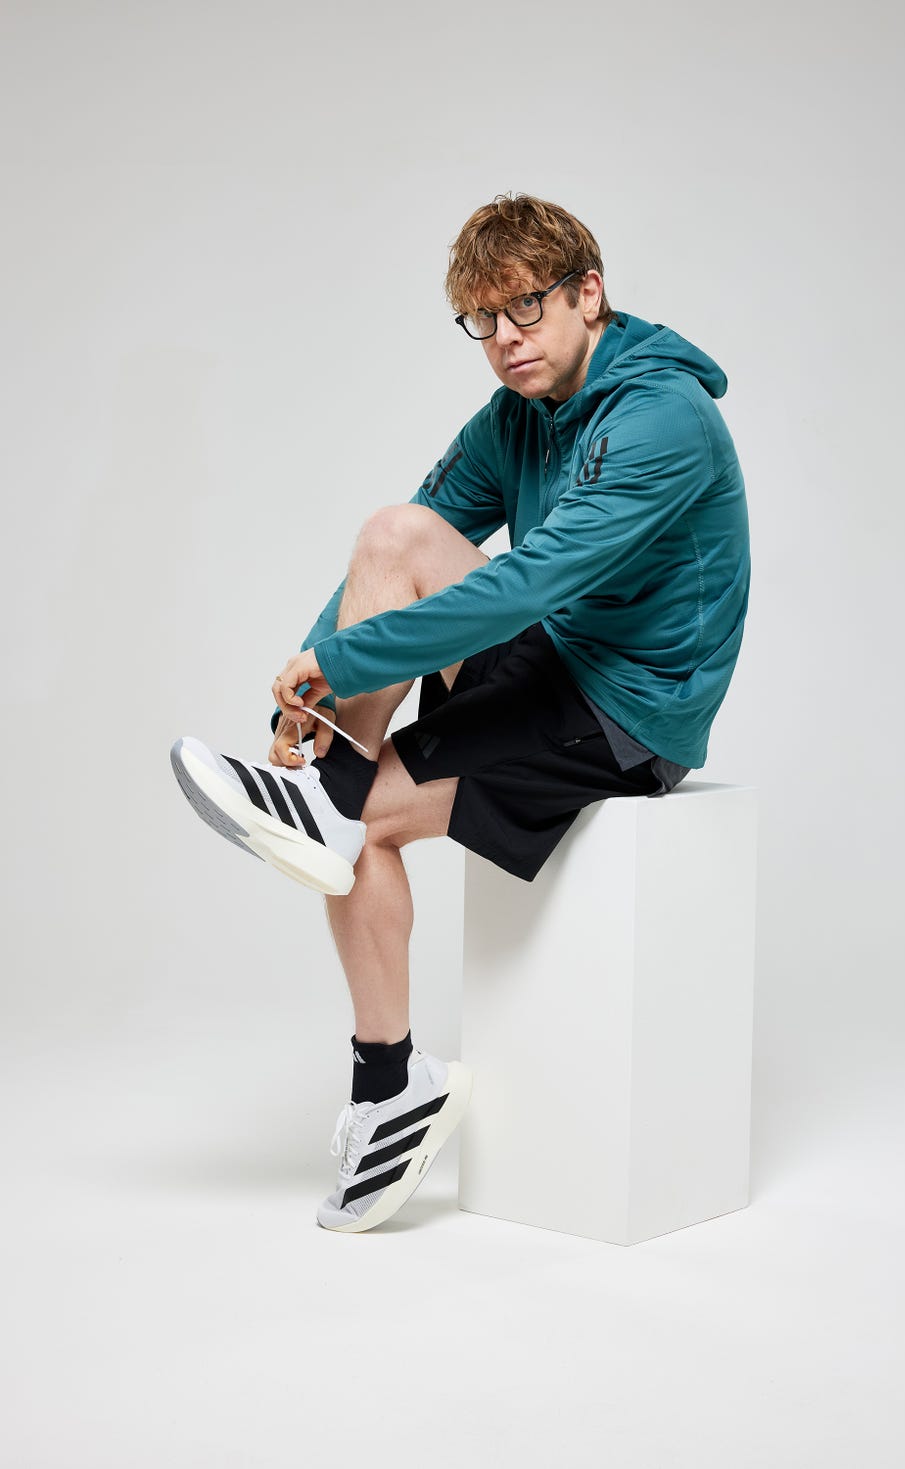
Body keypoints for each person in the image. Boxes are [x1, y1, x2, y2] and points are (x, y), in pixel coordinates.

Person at [172, 193, 750, 1234]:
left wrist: (340, 665)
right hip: (547, 668)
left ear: (589, 291)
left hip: (628, 711)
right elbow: (391, 562)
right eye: (481, 321)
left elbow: (527, 585)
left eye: (525, 307)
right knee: (396, 532)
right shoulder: (515, 416)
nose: (505, 340)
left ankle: (384, 1068)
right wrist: (309, 688)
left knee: (353, 819)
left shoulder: (662, 416)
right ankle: (383, 1046)